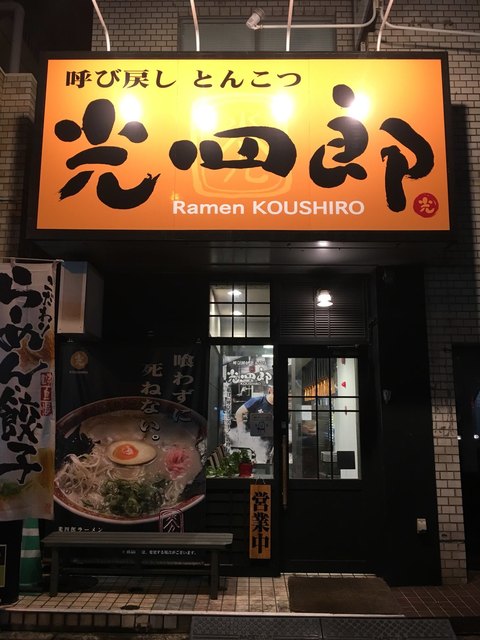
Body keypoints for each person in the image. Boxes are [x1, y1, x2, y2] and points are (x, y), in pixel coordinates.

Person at [230, 385, 273, 464]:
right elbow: (239, 413)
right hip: (252, 442)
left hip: (268, 444)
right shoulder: (257, 400)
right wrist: (241, 432)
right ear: (270, 390)